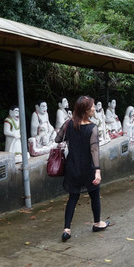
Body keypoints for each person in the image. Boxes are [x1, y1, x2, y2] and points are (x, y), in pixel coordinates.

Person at [55, 96, 109, 242]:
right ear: (85, 110)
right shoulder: (92, 128)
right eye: (91, 107)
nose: (94, 108)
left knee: (73, 197)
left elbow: (57, 139)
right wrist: (97, 170)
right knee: (94, 195)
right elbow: (94, 151)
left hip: (72, 167)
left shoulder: (69, 124)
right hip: (88, 169)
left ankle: (67, 229)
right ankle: (97, 223)